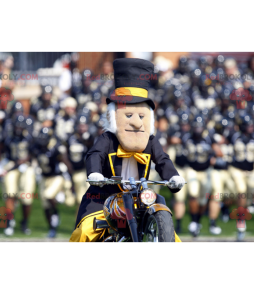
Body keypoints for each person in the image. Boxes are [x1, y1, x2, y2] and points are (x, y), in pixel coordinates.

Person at [70, 58, 185, 243]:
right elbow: (94, 154)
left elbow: (162, 159)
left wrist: (173, 176)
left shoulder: (150, 141)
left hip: (141, 198)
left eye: (141, 115)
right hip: (104, 197)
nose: (136, 122)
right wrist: (95, 174)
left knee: (173, 236)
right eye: (129, 115)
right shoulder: (108, 138)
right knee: (84, 233)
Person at [0, 114, 35, 236]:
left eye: (20, 125)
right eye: (16, 125)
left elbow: (35, 152)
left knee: (26, 197)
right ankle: (9, 222)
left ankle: (24, 222)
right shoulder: (8, 138)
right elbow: (0, 149)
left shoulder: (29, 138)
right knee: (10, 194)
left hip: (26, 167)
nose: (18, 127)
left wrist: (25, 161)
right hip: (12, 166)